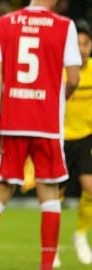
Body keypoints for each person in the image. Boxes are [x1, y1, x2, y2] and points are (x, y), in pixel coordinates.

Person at [0, 0, 82, 270]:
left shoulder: (4, 23)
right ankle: (46, 266)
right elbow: (74, 78)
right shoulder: (65, 27)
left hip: (13, 121)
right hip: (46, 124)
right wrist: (57, 100)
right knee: (49, 194)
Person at [59, 19, 92, 265]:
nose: (81, 49)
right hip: (61, 138)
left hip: (86, 137)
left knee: (90, 188)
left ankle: (80, 235)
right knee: (54, 196)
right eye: (77, 44)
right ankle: (51, 245)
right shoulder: (61, 72)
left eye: (85, 43)